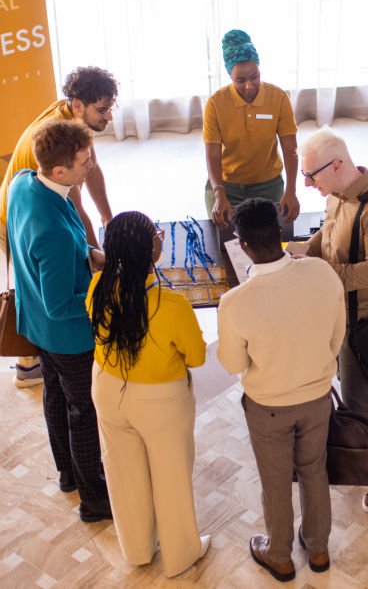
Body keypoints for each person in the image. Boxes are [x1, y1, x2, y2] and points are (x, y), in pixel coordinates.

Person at [217, 198, 345, 582]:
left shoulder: (235, 302)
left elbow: (233, 365)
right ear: (282, 233)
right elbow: (337, 336)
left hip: (268, 406)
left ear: (242, 245)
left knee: (275, 481)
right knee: (314, 470)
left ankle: (279, 554)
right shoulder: (322, 273)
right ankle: (319, 548)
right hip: (318, 397)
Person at [87, 211, 211, 575]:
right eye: (157, 233)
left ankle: (138, 550)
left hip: (108, 391)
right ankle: (181, 555)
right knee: (171, 475)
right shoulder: (172, 305)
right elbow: (198, 356)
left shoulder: (97, 287)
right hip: (160, 402)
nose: (161, 235)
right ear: (150, 249)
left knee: (123, 475)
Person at [6, 119, 112, 524]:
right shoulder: (51, 231)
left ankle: (67, 472)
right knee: (83, 412)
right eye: (85, 161)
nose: (91, 166)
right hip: (66, 335)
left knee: (53, 394)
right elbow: (59, 303)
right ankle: (94, 499)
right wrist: (103, 296)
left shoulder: (22, 183)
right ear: (59, 170)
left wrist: (90, 253)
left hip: (35, 325)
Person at [0, 66, 118, 388]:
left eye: (111, 108)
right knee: (40, 293)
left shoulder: (74, 125)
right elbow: (75, 211)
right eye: (102, 110)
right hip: (15, 221)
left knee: (45, 290)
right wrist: (96, 254)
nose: (109, 117)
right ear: (78, 106)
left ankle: (42, 361)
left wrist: (108, 220)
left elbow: (93, 170)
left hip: (22, 208)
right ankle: (27, 363)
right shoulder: (65, 147)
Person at [301, 129, 368, 513]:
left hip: (363, 319)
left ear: (337, 165)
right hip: (333, 312)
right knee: (345, 389)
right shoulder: (335, 198)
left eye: (314, 175)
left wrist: (325, 273)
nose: (309, 184)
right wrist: (301, 252)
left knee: (361, 399)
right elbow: (325, 236)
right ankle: (356, 452)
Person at [203, 29, 300, 227]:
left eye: (254, 77)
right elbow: (212, 155)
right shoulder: (215, 103)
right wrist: (219, 193)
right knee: (226, 240)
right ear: (230, 76)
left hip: (269, 184)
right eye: (240, 80)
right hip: (225, 185)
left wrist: (291, 190)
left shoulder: (279, 98)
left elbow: (290, 149)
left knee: (273, 238)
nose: (249, 86)